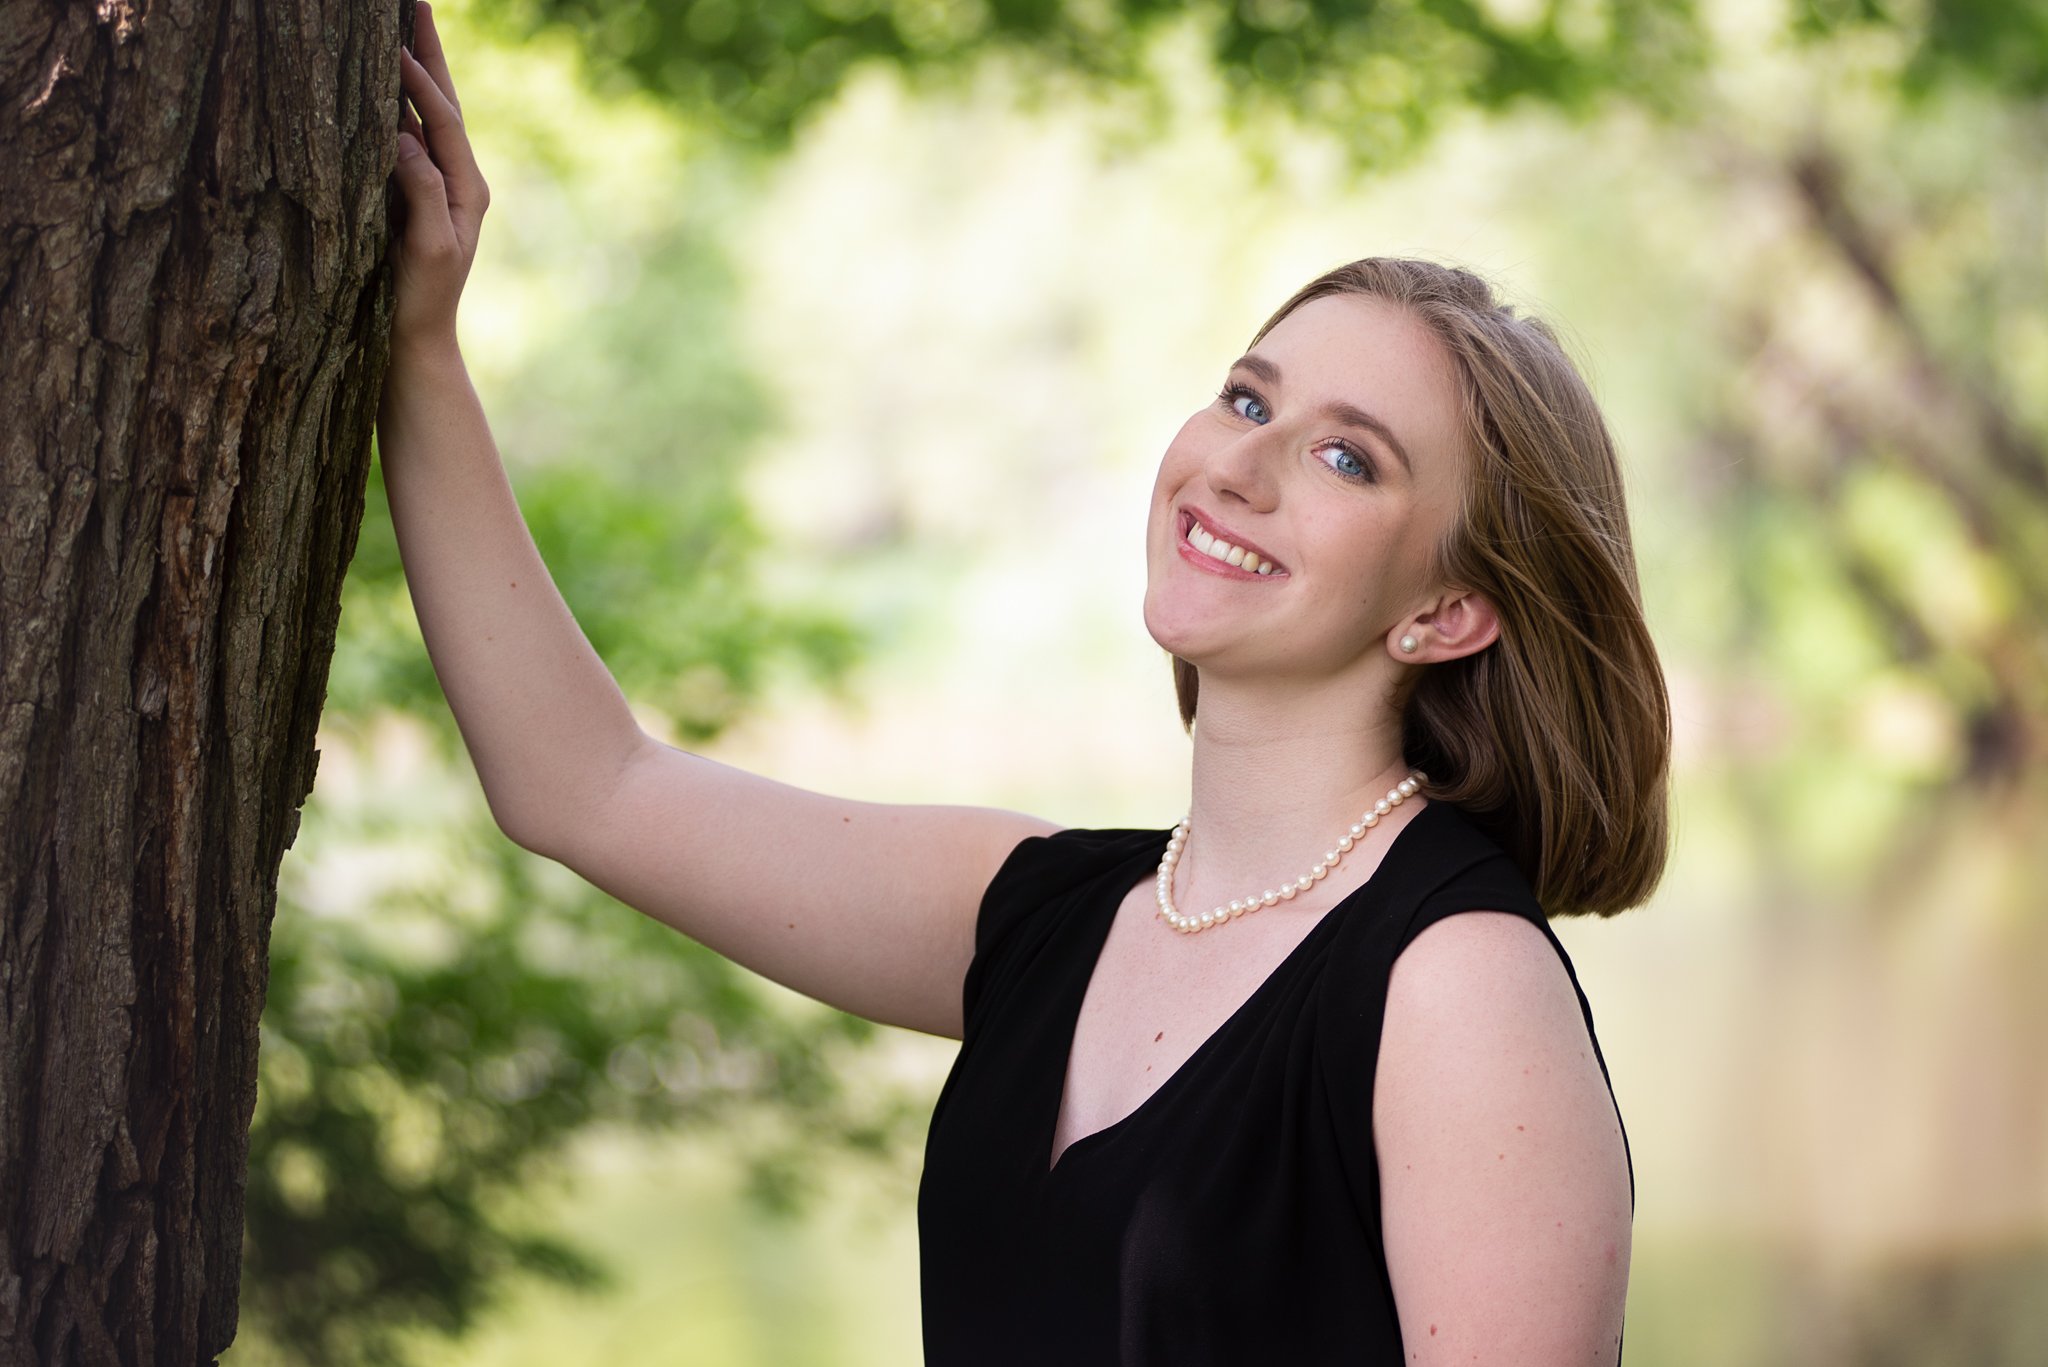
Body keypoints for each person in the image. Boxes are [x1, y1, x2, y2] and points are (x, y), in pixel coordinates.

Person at [384, 9, 1668, 1365]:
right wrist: (422, 349)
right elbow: (587, 786)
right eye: (1247, 400)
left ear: (1449, 609)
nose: (1239, 466)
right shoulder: (1048, 918)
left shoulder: (1460, 987)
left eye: (1348, 459)